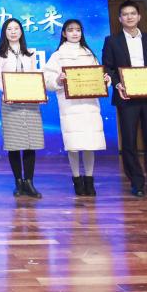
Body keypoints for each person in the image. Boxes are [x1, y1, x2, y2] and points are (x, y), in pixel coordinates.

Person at [101, 0, 147, 198]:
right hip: (126, 96)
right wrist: (118, 84)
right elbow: (108, 67)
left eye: (133, 13)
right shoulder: (112, 41)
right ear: (120, 19)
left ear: (139, 16)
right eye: (125, 14)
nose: (129, 17)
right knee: (129, 141)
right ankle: (137, 182)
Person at [43, 19, 110, 197]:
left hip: (89, 104)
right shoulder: (58, 55)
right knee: (73, 144)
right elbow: (48, 80)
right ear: (64, 33)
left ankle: (89, 179)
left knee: (90, 143)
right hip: (70, 106)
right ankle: (77, 179)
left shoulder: (89, 54)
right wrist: (59, 80)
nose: (75, 33)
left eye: (78, 30)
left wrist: (105, 80)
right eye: (71, 30)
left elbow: (98, 76)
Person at [0, 17, 45, 199]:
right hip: (10, 103)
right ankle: (18, 182)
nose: (13, 32)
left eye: (16, 28)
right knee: (14, 143)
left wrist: (38, 92)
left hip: (29, 102)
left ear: (21, 31)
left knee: (31, 142)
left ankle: (29, 182)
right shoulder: (0, 54)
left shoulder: (30, 53)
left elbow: (34, 76)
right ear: (4, 33)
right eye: (9, 29)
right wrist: (8, 92)